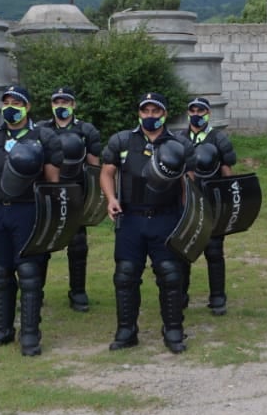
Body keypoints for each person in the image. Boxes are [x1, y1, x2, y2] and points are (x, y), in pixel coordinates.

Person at [0, 85, 63, 357]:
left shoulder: (44, 137)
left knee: (29, 272)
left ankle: (30, 334)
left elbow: (53, 182)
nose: (10, 106)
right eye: (6, 101)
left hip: (28, 209)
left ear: (27, 107)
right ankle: (2, 329)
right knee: (0, 271)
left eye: (16, 102)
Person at [99, 92, 194, 354]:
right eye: (146, 111)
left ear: (164, 113)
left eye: (155, 111)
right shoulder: (122, 141)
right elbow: (107, 172)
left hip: (166, 218)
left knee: (170, 276)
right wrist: (110, 199)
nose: (150, 116)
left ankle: (173, 330)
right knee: (125, 276)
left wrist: (188, 214)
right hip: (131, 219)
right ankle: (126, 332)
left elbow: (190, 181)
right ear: (139, 113)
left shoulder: (180, 143)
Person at [46, 86, 103, 313]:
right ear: (52, 105)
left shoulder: (86, 130)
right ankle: (35, 292)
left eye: (66, 102)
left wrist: (94, 200)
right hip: (49, 194)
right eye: (57, 102)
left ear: (73, 105)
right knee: (41, 245)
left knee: (78, 246)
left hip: (76, 191)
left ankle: (77, 291)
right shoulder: (42, 129)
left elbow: (94, 166)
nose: (61, 106)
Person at [184, 95, 237, 315]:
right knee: (183, 251)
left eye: (201, 111)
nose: (197, 115)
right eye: (193, 111)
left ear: (208, 113)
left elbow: (227, 172)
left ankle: (217, 298)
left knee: (214, 252)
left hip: (212, 203)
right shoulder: (179, 138)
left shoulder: (219, 139)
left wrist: (228, 204)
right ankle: (180, 295)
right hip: (188, 204)